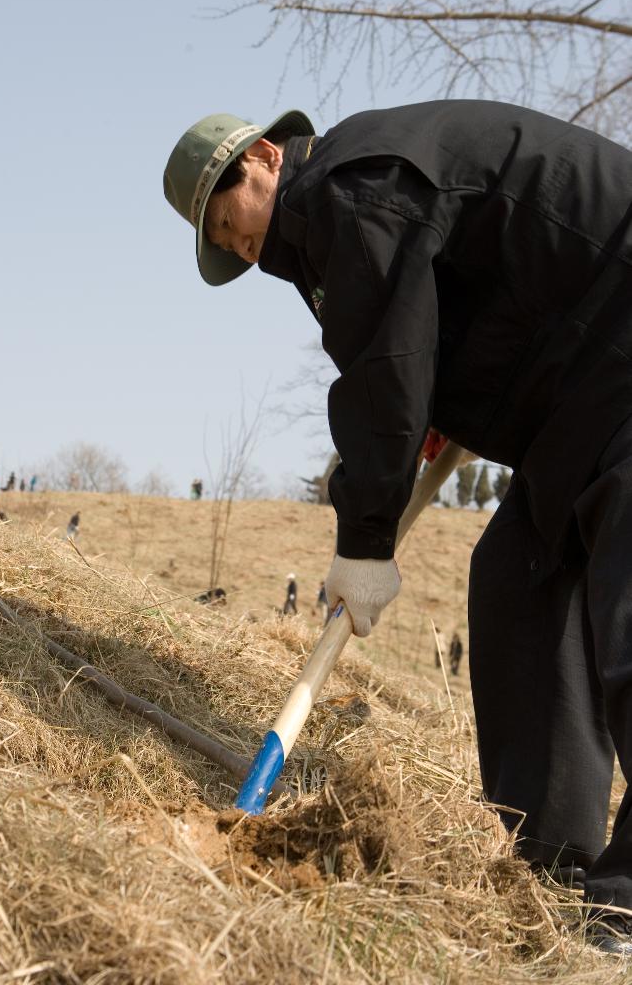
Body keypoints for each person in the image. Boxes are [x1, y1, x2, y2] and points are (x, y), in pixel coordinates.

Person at [164, 100, 632, 954]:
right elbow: (429, 329)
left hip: (618, 341)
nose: (248, 250)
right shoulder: (343, 215)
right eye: (232, 250)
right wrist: (448, 406)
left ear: (266, 158)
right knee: (515, 584)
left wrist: (365, 540)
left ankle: (627, 910)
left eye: (237, 226)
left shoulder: (356, 183)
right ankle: (553, 870)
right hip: (575, 386)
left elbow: (387, 365)